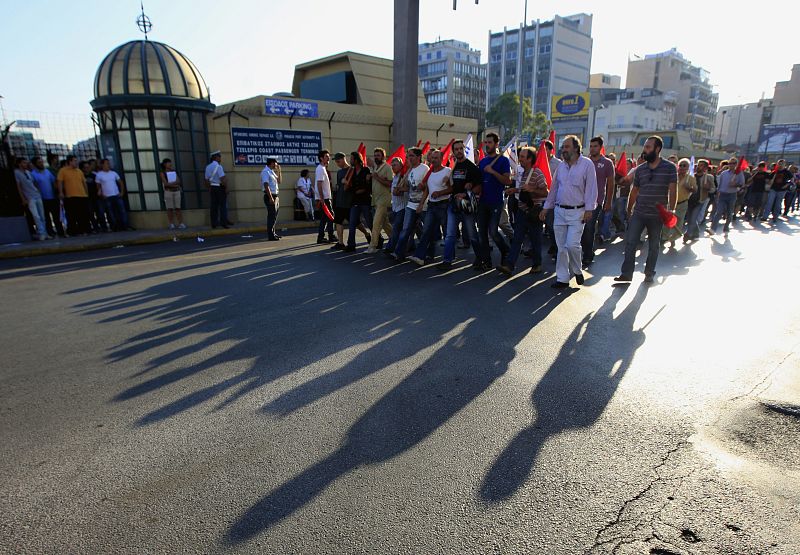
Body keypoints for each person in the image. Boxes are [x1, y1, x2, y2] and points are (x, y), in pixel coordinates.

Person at [615, 136, 677, 284]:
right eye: (645, 147)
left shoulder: (669, 168)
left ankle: (649, 273)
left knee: (654, 245)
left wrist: (672, 210)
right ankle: (626, 274)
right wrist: (629, 210)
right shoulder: (640, 169)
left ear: (657, 149)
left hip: (657, 215)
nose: (645, 150)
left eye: (648, 147)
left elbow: (673, 190)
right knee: (630, 243)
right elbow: (634, 191)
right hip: (639, 212)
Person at [540, 136, 597, 288]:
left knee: (572, 245)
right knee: (561, 248)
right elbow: (554, 189)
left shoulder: (587, 164)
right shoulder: (561, 167)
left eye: (566, 147)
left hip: (578, 212)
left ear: (576, 148)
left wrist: (589, 209)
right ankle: (562, 278)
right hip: (559, 211)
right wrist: (546, 208)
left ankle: (577, 270)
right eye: (563, 147)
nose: (563, 150)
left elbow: (591, 188)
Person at [497, 146, 548, 277]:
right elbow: (523, 189)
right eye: (520, 156)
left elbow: (545, 192)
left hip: (533, 212)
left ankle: (537, 264)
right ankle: (509, 265)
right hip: (522, 211)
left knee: (535, 239)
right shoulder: (523, 173)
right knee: (517, 239)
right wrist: (514, 190)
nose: (520, 159)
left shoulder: (537, 173)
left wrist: (532, 189)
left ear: (530, 159)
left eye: (523, 157)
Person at [439, 140, 481, 269]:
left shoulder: (471, 167)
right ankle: (447, 260)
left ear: (464, 150)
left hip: (466, 205)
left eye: (460, 149)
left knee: (472, 233)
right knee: (450, 234)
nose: (458, 151)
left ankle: (480, 258)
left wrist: (466, 193)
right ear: (453, 152)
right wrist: (447, 184)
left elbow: (478, 186)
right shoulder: (455, 166)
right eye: (456, 149)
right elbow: (453, 188)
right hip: (454, 204)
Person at [408, 149, 451, 266]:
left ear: (442, 159)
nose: (433, 160)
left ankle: (448, 258)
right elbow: (427, 189)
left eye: (436, 158)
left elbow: (452, 189)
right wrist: (421, 204)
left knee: (447, 233)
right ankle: (420, 256)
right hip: (431, 205)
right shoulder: (430, 172)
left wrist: (441, 192)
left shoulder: (447, 171)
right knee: (427, 231)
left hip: (444, 205)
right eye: (432, 158)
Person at [475, 132, 512, 271]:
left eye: (490, 142)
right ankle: (486, 260)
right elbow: (479, 181)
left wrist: (493, 172)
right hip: (483, 201)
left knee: (493, 232)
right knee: (482, 232)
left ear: (496, 144)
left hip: (496, 200)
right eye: (486, 142)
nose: (487, 145)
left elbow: (507, 181)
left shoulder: (503, 161)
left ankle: (505, 251)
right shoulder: (483, 161)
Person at [581, 136, 615, 267]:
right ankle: (586, 251)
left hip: (597, 201)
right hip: (582, 200)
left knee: (589, 227)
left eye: (595, 146)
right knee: (582, 228)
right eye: (590, 146)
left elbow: (611, 183)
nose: (592, 148)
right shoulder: (584, 161)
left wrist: (608, 202)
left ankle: (588, 255)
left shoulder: (607, 163)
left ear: (600, 148)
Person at [392, 147, 428, 261]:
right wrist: (400, 189)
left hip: (423, 205)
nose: (409, 158)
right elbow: (409, 187)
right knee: (406, 229)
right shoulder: (410, 170)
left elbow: (427, 188)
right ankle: (399, 253)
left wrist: (421, 204)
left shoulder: (424, 169)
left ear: (418, 157)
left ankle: (426, 253)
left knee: (426, 230)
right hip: (411, 204)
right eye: (408, 156)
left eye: (411, 156)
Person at [662, 158, 696, 245]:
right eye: (680, 165)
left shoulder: (690, 178)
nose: (681, 167)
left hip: (682, 203)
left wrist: (689, 188)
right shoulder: (673, 176)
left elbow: (695, 190)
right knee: (667, 220)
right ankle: (664, 237)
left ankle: (673, 238)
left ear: (688, 167)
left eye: (684, 165)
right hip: (671, 202)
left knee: (678, 222)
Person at [14, 158, 49, 241]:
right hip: (29, 197)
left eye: (26, 163)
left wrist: (38, 192)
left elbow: (33, 183)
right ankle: (41, 233)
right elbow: (19, 187)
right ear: (19, 164)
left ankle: (45, 233)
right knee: (36, 216)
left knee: (42, 216)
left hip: (36, 195)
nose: (26, 164)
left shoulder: (28, 172)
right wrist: (23, 198)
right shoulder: (17, 173)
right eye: (24, 163)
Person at [366, 148, 393, 254]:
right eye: (375, 155)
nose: (376, 157)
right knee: (385, 223)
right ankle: (395, 240)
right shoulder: (375, 167)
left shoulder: (387, 167)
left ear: (383, 156)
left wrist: (376, 177)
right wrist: (370, 176)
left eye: (378, 155)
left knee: (376, 223)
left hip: (384, 199)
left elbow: (390, 183)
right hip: (375, 199)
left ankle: (373, 246)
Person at [344, 151, 372, 252]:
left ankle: (378, 240)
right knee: (352, 223)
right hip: (355, 200)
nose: (350, 161)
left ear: (356, 160)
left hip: (365, 200)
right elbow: (348, 187)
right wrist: (347, 184)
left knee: (370, 222)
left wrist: (363, 189)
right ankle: (351, 244)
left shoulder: (365, 170)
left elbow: (369, 185)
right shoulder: (351, 171)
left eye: (351, 159)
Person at [709, 157, 745, 235]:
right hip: (722, 194)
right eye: (730, 163)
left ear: (736, 164)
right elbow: (720, 184)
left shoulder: (739, 173)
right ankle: (712, 229)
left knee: (729, 213)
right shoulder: (724, 173)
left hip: (732, 195)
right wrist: (718, 193)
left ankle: (726, 228)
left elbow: (742, 184)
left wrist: (735, 184)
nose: (731, 165)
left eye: (733, 163)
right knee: (719, 212)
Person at [30, 156, 63, 237]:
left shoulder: (47, 171)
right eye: (39, 162)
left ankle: (60, 232)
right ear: (35, 164)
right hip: (42, 199)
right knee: (46, 218)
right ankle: (50, 232)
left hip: (52, 197)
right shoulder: (33, 174)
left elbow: (54, 182)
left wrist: (58, 192)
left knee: (56, 216)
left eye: (41, 162)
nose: (41, 164)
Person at [57, 155, 90, 236]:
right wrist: (61, 192)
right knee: (72, 215)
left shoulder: (79, 171)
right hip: (70, 196)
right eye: (74, 160)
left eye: (76, 160)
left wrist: (86, 193)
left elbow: (84, 183)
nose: (76, 162)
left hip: (82, 195)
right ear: (70, 161)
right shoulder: (63, 171)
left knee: (82, 214)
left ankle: (83, 230)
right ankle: (73, 231)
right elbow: (60, 182)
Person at [95, 159, 130, 231]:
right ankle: (115, 227)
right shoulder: (99, 175)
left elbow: (120, 183)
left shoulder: (113, 173)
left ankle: (125, 226)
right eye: (106, 163)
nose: (108, 165)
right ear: (102, 165)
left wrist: (122, 192)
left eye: (109, 163)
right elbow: (98, 186)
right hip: (107, 196)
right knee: (111, 213)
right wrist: (102, 195)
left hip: (116, 195)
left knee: (122, 211)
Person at [684, 159, 714, 241]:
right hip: (690, 200)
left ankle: (688, 234)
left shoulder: (708, 177)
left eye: (701, 165)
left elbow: (713, 190)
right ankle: (696, 233)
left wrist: (708, 188)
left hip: (700, 201)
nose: (698, 167)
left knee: (693, 218)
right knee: (690, 219)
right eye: (698, 165)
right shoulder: (691, 176)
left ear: (705, 168)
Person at [385, 157, 408, 254]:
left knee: (396, 228)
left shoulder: (403, 176)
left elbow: (402, 192)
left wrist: (398, 191)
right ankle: (411, 246)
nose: (393, 167)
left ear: (401, 165)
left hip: (402, 206)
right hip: (395, 206)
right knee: (403, 228)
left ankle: (390, 247)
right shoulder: (395, 177)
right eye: (392, 165)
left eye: (395, 165)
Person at [205, 151, 230, 228]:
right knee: (223, 206)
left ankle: (214, 223)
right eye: (219, 157)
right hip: (219, 187)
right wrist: (226, 188)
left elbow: (206, 180)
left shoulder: (208, 167)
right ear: (216, 158)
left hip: (212, 188)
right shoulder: (219, 167)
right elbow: (222, 178)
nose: (220, 158)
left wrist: (209, 188)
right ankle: (224, 223)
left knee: (214, 207)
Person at [315, 150, 336, 244]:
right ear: (321, 158)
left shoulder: (322, 168)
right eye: (326, 156)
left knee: (324, 218)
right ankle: (331, 236)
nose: (329, 158)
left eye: (328, 156)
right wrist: (322, 198)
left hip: (325, 197)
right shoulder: (320, 169)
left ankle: (321, 237)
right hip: (324, 198)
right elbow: (319, 184)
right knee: (331, 216)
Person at [160, 158, 185, 229]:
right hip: (168, 192)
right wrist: (175, 184)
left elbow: (178, 181)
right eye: (168, 163)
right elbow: (166, 184)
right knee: (169, 208)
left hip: (176, 191)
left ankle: (181, 223)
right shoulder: (162, 173)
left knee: (178, 208)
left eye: (170, 162)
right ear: (165, 164)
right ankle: (171, 223)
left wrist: (172, 184)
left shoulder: (173, 171)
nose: (170, 164)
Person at [261, 158, 281, 241]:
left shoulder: (271, 171)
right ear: (272, 163)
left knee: (274, 216)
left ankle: (273, 233)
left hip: (275, 196)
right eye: (276, 163)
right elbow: (266, 185)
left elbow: (279, 181)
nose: (277, 165)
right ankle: (271, 235)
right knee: (271, 216)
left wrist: (279, 172)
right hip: (270, 196)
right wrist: (270, 198)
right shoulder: (265, 172)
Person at [81, 161, 103, 232]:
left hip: (96, 197)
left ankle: (101, 226)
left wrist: (99, 190)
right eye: (85, 167)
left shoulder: (94, 175)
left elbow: (98, 184)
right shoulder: (81, 176)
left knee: (100, 212)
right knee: (90, 213)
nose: (87, 169)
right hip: (87, 198)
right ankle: (95, 227)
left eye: (88, 167)